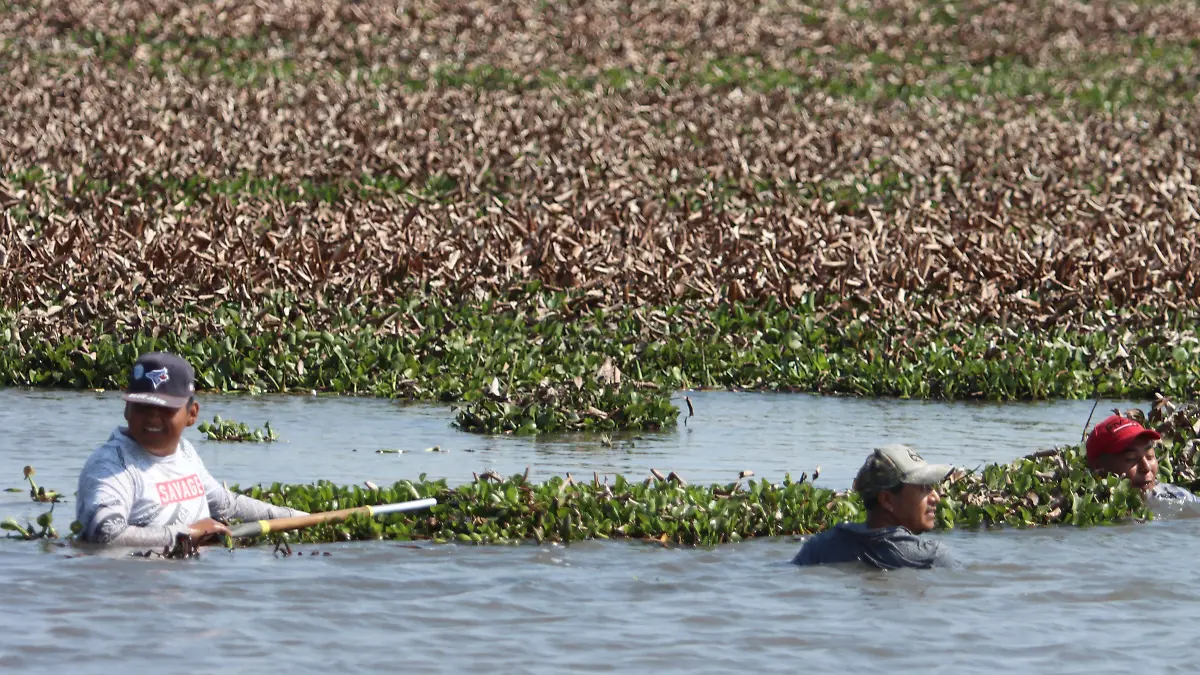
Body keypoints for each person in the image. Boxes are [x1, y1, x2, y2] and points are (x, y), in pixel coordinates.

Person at [76, 352, 306, 548]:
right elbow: (105, 533)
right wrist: (187, 532)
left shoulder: (184, 452)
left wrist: (300, 518)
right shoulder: (110, 465)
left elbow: (225, 505)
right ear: (127, 409)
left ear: (192, 414)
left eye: (165, 408)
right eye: (142, 406)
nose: (152, 417)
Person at [793, 444, 956, 570]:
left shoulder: (819, 547)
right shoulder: (932, 557)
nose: (935, 497)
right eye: (924, 487)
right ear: (887, 500)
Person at [1085, 414, 1199, 502]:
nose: (1146, 467)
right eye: (1131, 458)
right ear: (1099, 468)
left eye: (1150, 456)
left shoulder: (1177, 496)